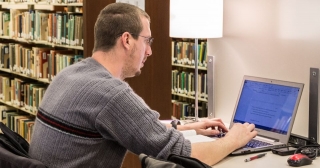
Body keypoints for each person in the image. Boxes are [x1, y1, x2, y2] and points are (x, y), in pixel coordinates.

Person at [29, 2, 257, 168]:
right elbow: (186, 155)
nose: (149, 51)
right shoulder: (111, 94)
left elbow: (134, 127)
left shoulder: (70, 74)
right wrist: (234, 139)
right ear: (127, 40)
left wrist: (187, 127)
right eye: (147, 41)